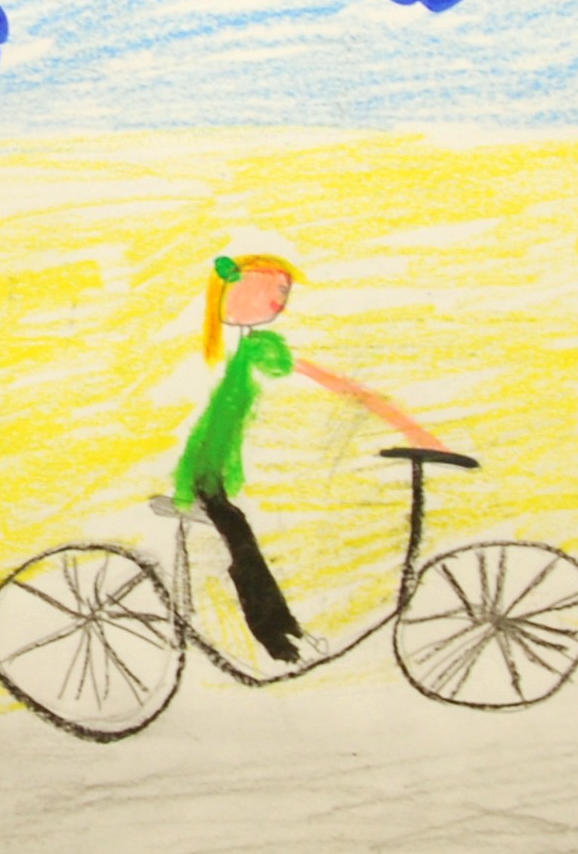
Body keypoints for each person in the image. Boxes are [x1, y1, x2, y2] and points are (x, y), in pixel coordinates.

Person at [168, 256, 439, 667]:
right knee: (243, 547)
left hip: (208, 473)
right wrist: (394, 418)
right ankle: (278, 639)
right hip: (208, 476)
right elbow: (324, 380)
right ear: (241, 293)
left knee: (243, 542)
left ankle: (283, 633)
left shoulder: (249, 351)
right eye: (275, 289)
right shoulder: (258, 350)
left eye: (284, 290)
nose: (281, 299)